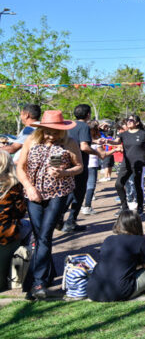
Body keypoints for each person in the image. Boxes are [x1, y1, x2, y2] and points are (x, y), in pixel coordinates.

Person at [15, 110, 83, 299]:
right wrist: (29, 188)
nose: (51, 136)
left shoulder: (69, 142)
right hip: (34, 194)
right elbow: (20, 167)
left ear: (62, 130)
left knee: (44, 235)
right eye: (48, 131)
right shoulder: (31, 140)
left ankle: (38, 283)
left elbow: (79, 167)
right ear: (41, 129)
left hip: (58, 193)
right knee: (39, 236)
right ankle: (45, 275)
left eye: (55, 132)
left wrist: (64, 173)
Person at [86, 210, 145, 301]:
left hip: (92, 291)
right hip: (120, 292)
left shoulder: (108, 239)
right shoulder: (139, 240)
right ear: (137, 225)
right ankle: (142, 287)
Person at [61, 104, 98, 233]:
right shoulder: (84, 126)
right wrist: (99, 153)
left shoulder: (68, 125)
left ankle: (58, 218)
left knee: (67, 192)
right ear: (88, 114)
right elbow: (84, 147)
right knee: (78, 193)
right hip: (79, 164)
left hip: (65, 165)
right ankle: (70, 222)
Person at [107, 114, 145, 215]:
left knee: (137, 185)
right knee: (118, 184)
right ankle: (124, 207)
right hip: (126, 163)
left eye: (131, 120)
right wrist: (107, 141)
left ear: (137, 123)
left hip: (139, 163)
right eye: (128, 120)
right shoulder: (124, 134)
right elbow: (115, 142)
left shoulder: (142, 133)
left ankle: (140, 206)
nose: (128, 121)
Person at [0, 150, 26, 291]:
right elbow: (20, 212)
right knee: (27, 227)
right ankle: (17, 273)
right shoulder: (14, 185)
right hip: (5, 233)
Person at [81, 121, 112, 216]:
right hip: (92, 165)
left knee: (81, 186)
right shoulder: (97, 140)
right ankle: (87, 206)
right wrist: (115, 149)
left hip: (82, 164)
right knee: (90, 186)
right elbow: (102, 155)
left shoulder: (83, 139)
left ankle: (79, 205)